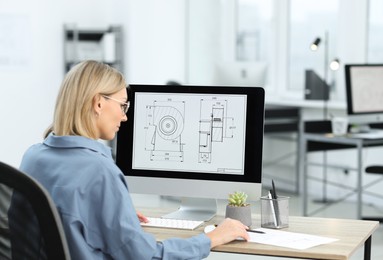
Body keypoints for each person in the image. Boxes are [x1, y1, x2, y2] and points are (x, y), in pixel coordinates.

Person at [19, 60, 250, 259]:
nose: (125, 116)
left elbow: (58, 221)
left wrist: (116, 218)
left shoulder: (32, 157)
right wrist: (210, 239)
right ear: (98, 103)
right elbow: (146, 257)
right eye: (122, 105)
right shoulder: (99, 171)